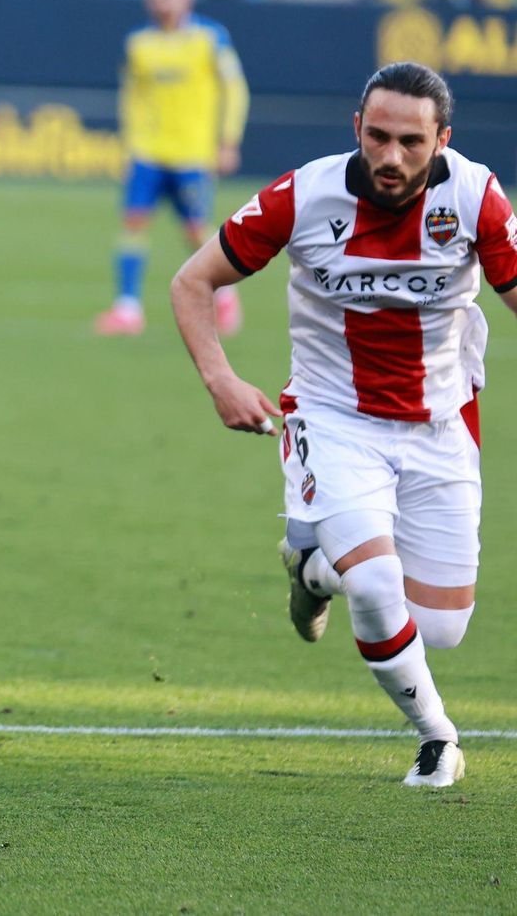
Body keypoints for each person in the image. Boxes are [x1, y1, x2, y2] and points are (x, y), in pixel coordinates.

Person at [169, 62, 517, 787]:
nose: (392, 157)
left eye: (412, 142)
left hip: (441, 423)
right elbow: (192, 280)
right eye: (379, 136)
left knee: (442, 628)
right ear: (356, 127)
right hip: (333, 419)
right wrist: (220, 379)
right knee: (377, 587)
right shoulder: (303, 197)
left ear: (441, 140)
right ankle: (437, 738)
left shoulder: (477, 197)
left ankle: (315, 567)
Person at [97, 0, 249, 336]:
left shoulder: (210, 39)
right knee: (133, 222)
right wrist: (129, 145)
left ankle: (225, 296)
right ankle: (128, 308)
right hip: (147, 153)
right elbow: (131, 97)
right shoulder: (139, 44)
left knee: (196, 230)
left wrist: (228, 140)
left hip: (192, 154)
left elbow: (235, 90)